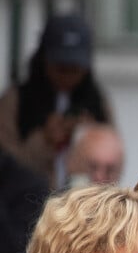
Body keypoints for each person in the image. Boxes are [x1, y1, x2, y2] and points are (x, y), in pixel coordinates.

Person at [0, 13, 114, 189]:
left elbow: (114, 157)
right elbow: (7, 161)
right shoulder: (15, 100)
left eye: (75, 69)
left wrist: (89, 138)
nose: (67, 76)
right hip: (25, 205)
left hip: (83, 203)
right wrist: (45, 139)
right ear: (44, 60)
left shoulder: (97, 101)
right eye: (61, 68)